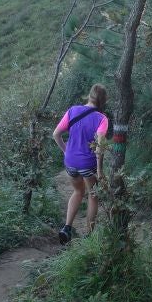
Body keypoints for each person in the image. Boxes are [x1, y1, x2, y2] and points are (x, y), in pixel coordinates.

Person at [52, 84, 109, 242]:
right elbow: (100, 146)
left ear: (89, 95)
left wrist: (65, 151)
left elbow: (56, 134)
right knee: (93, 195)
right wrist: (99, 171)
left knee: (78, 191)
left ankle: (67, 228)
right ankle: (89, 237)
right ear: (103, 100)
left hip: (70, 162)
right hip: (87, 164)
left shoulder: (72, 111)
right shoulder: (101, 119)